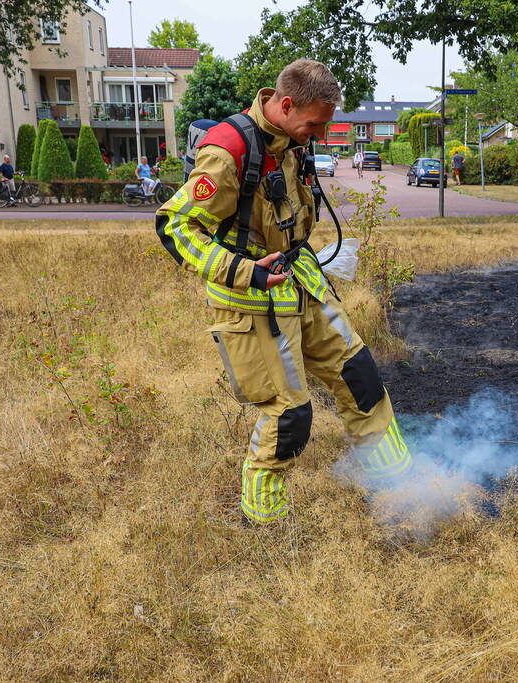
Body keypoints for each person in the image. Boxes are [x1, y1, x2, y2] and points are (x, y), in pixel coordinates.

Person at [155, 59, 411, 525]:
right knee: (289, 415)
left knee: (360, 377)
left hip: (303, 283)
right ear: (286, 104)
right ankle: (267, 524)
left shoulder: (293, 141)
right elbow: (175, 225)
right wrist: (242, 270)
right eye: (315, 124)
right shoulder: (229, 151)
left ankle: (399, 486)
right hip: (252, 302)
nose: (319, 133)